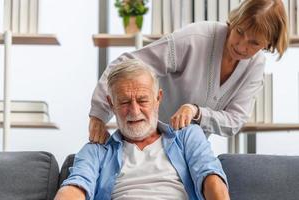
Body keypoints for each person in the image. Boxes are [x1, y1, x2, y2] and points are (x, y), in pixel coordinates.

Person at [88, 0, 289, 144]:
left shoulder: (256, 66)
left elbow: (235, 120)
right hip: (143, 140)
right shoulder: (195, 38)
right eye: (240, 31)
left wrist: (197, 112)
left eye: (254, 43)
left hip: (186, 151)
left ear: (268, 44)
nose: (241, 45)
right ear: (234, 20)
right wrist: (98, 114)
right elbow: (127, 65)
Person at [55, 60, 229, 200]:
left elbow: (210, 175)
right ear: (111, 104)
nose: (134, 111)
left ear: (158, 98)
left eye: (142, 100)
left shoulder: (187, 136)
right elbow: (77, 185)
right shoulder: (96, 150)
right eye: (124, 102)